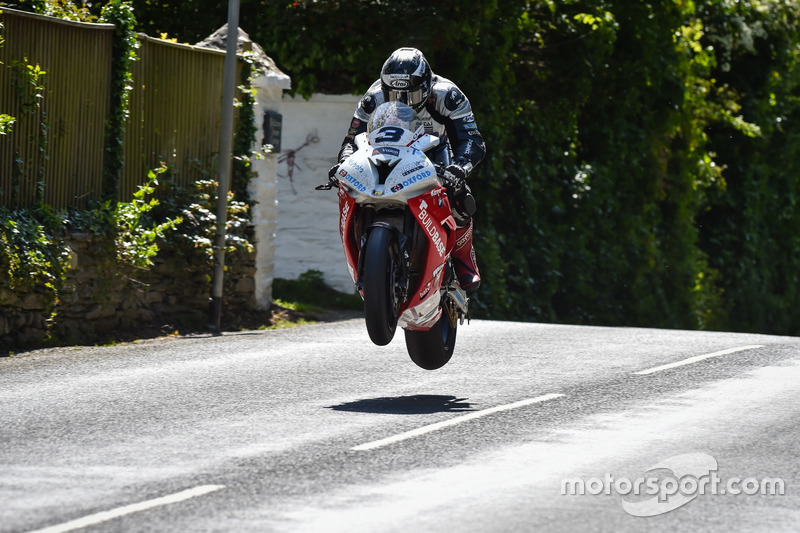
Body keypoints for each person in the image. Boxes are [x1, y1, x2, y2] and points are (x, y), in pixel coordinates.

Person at [329, 47, 486, 291]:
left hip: (433, 151)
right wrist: (344, 162)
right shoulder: (373, 97)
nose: (400, 100)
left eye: (409, 95)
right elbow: (352, 139)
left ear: (425, 86)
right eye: (392, 93)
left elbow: (471, 139)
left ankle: (463, 260)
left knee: (460, 197)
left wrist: (460, 166)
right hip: (385, 151)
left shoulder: (447, 95)